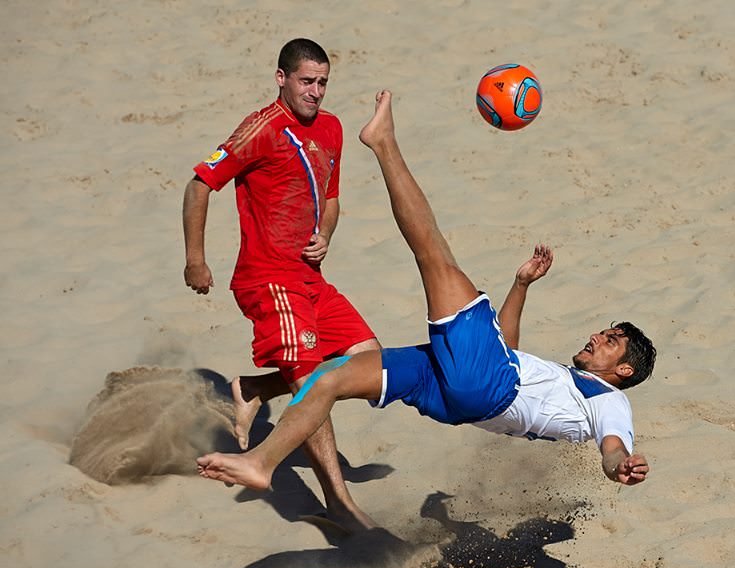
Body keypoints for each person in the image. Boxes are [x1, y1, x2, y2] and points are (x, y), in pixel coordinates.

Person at [197, 91, 656, 527]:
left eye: (611, 342)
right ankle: (261, 461)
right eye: (604, 332)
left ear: (624, 372)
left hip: (489, 386)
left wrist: (619, 466)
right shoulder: (568, 384)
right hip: (465, 400)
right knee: (331, 377)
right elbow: (505, 348)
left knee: (434, 254)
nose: (597, 338)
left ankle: (383, 143)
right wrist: (520, 285)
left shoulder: (611, 402)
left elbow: (612, 446)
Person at [182, 38, 380, 530]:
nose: (316, 91)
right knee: (313, 386)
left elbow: (331, 199)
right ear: (282, 79)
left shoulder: (330, 128)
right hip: (268, 278)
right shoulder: (263, 127)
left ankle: (254, 388)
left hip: (310, 275)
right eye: (307, 81)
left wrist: (325, 234)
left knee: (369, 359)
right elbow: (200, 183)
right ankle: (340, 504)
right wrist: (195, 260)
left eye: (323, 82)